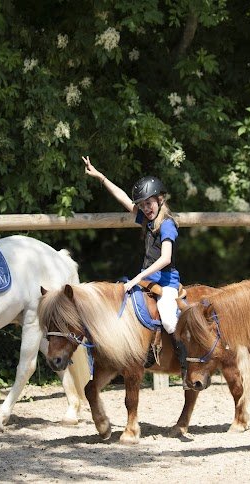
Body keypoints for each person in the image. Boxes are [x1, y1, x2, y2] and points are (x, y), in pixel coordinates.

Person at [82, 156, 183, 368]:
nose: (145, 208)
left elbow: (165, 258)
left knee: (168, 318)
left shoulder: (167, 225)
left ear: (160, 200)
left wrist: (138, 276)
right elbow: (123, 199)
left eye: (149, 203)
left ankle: (185, 362)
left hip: (166, 284)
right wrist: (101, 177)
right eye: (142, 205)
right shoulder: (147, 221)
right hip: (146, 280)